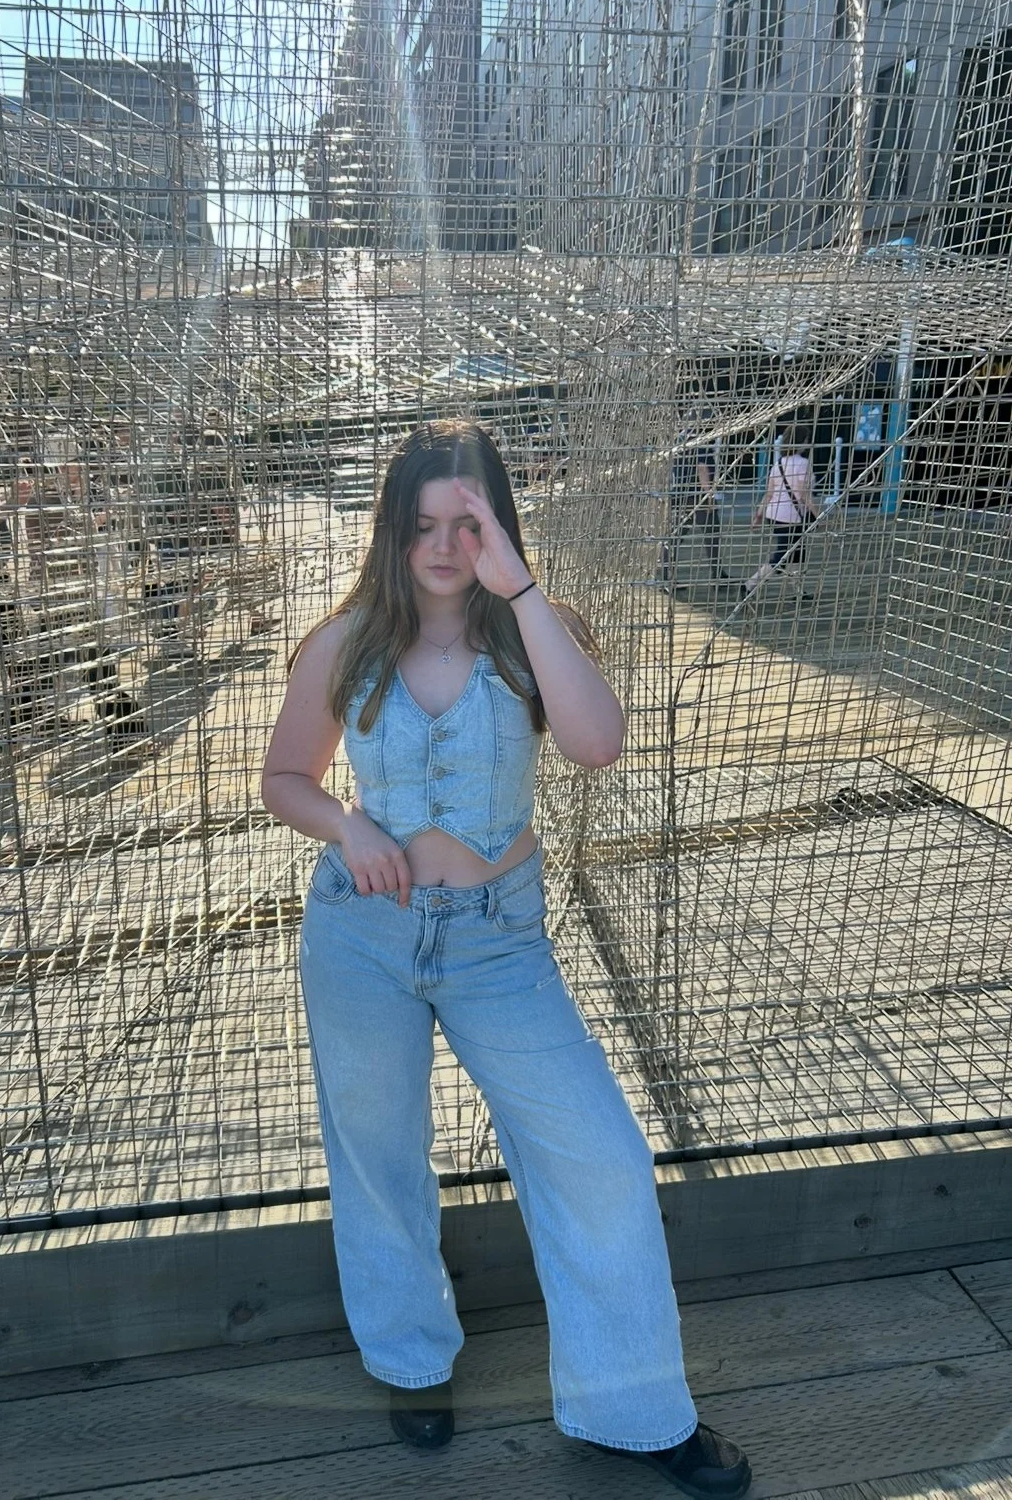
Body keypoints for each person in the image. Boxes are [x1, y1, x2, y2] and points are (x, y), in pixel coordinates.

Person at [260, 420, 751, 1497]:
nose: (444, 544)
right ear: (392, 530)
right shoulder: (344, 641)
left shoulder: (537, 630)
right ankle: (411, 1361)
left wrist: (518, 585)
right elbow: (286, 775)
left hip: (499, 944)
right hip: (362, 936)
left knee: (600, 1157)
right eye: (423, 523)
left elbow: (597, 743)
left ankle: (635, 1410)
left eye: (467, 521)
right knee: (378, 1153)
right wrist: (350, 827)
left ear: (498, 523)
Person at [744, 429, 821, 595]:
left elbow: (769, 493)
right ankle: (751, 583)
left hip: (774, 513)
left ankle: (798, 590)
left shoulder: (778, 463)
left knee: (796, 551)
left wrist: (759, 514)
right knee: (784, 554)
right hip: (792, 516)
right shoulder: (802, 463)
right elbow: (803, 494)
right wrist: (818, 514)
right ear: (802, 443)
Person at [662, 432, 733, 590]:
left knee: (674, 537)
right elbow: (701, 468)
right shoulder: (700, 446)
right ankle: (717, 576)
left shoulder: (679, 447)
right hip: (697, 497)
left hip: (679, 496)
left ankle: (666, 578)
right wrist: (709, 495)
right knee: (712, 535)